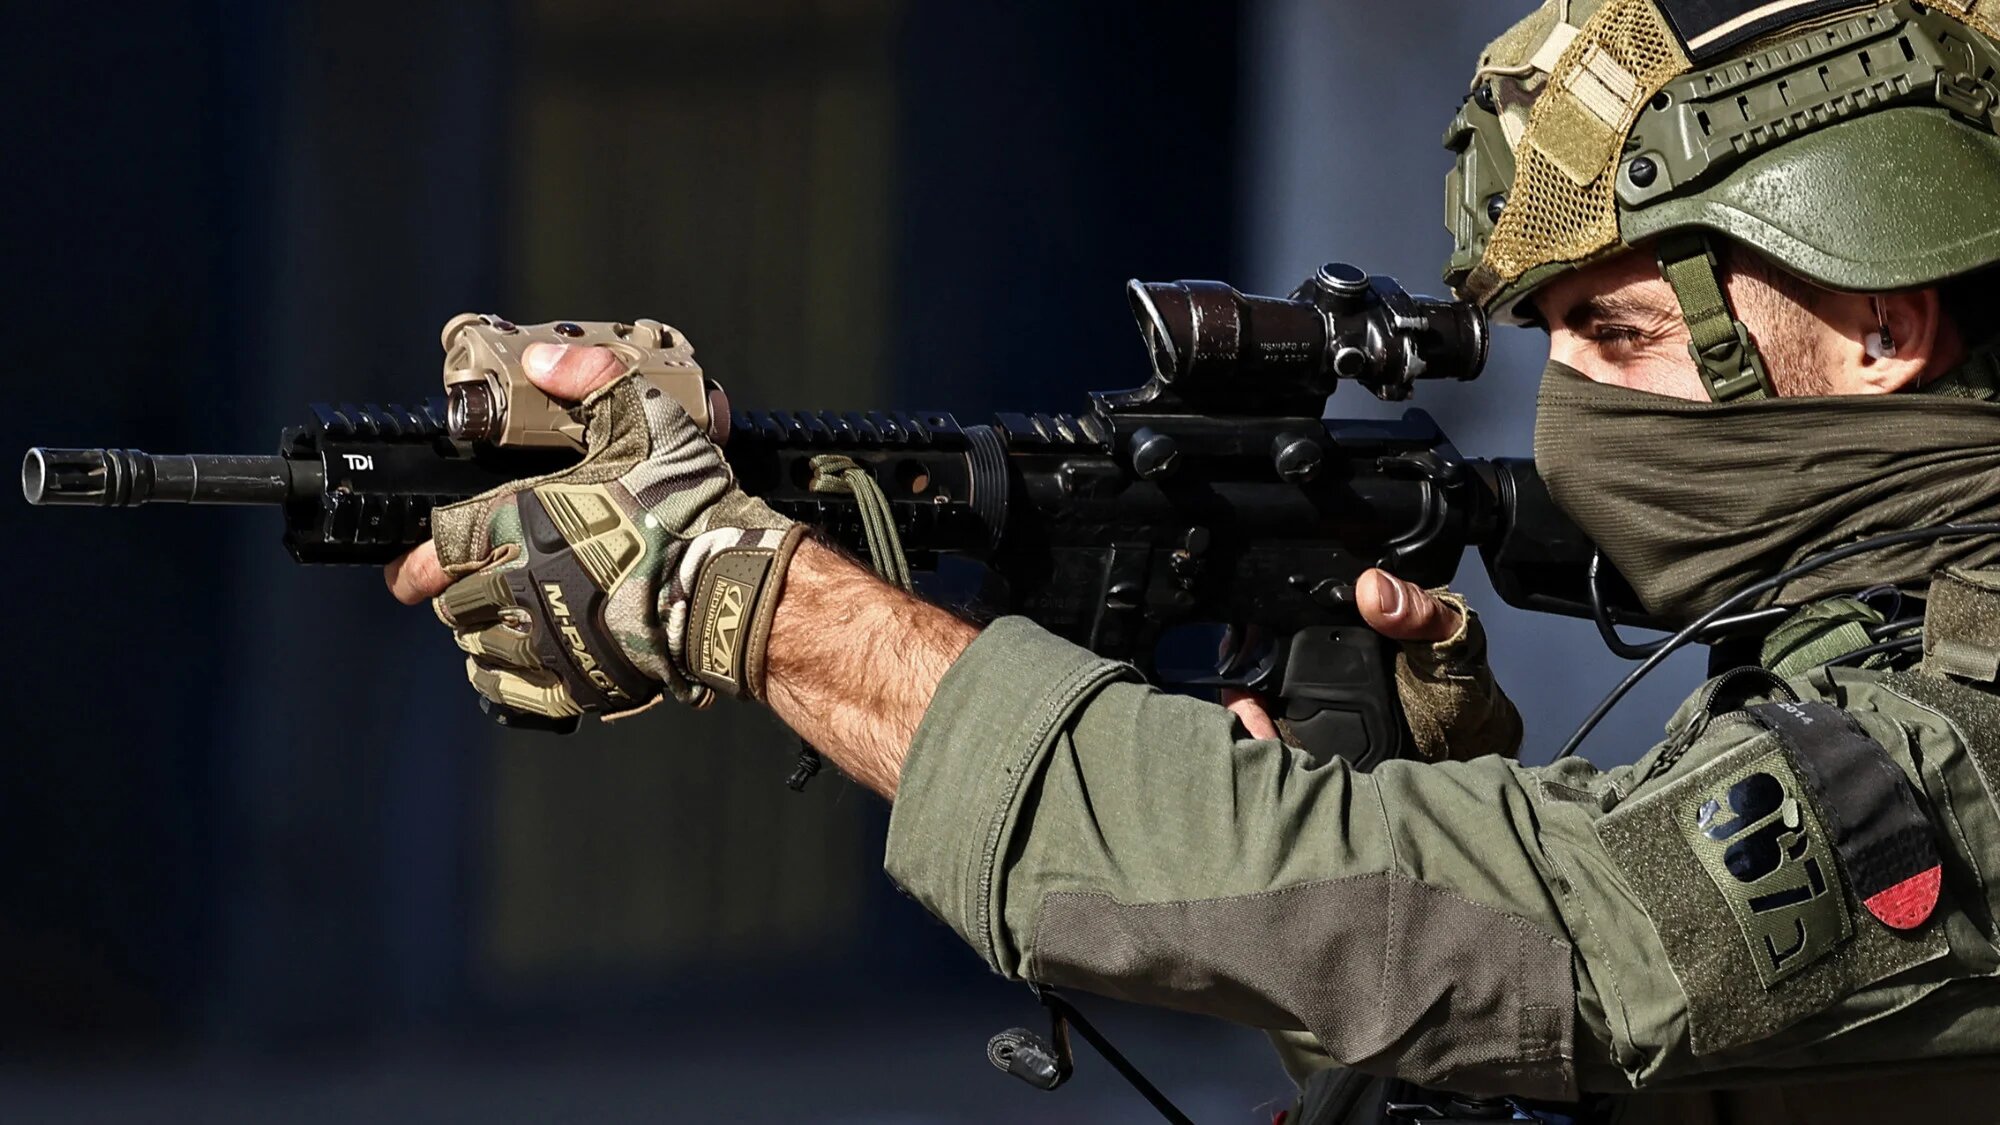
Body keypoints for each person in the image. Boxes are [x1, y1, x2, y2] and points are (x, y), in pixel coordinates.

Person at [385, 1, 2000, 1120]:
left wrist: (747, 591)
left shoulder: (1958, 721)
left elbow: (1559, 932)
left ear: (1880, 329)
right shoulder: (1845, 645)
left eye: (1622, 335)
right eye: (1555, 347)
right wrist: (1413, 792)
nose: (1572, 412)